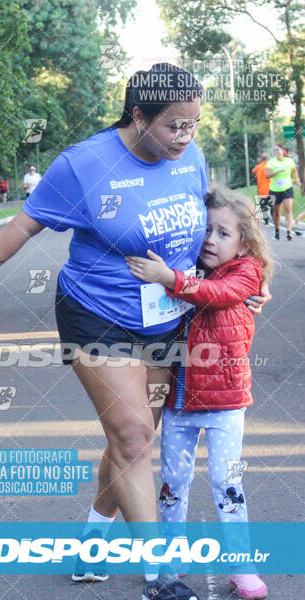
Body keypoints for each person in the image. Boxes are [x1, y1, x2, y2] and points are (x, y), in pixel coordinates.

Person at [0, 64, 270, 600]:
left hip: (166, 316)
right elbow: (22, 224)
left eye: (194, 125)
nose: (186, 137)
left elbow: (207, 232)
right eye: (174, 126)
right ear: (138, 115)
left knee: (132, 438)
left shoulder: (192, 160)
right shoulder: (84, 165)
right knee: (134, 436)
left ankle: (93, 536)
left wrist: (242, 277)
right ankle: (161, 578)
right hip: (95, 313)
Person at [126, 185, 272, 600]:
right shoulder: (190, 265)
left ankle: (242, 569)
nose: (210, 239)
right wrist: (172, 273)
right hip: (179, 403)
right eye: (206, 230)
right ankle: (170, 564)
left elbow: (217, 295)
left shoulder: (245, 273)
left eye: (223, 233)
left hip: (226, 404)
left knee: (228, 486)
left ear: (245, 243)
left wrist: (169, 279)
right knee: (173, 485)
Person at [265, 144, 301, 240]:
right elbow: (267, 175)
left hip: (287, 188)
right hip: (274, 190)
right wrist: (277, 172)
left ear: (283, 150)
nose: (276, 152)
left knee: (288, 209)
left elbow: (294, 171)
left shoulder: (290, 161)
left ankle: (289, 232)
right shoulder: (271, 162)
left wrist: (297, 179)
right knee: (276, 212)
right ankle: (276, 231)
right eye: (275, 151)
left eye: (278, 150)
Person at [252, 154, 271, 225]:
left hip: (262, 190)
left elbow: (253, 172)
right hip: (271, 189)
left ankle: (266, 221)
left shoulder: (258, 167)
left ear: (261, 160)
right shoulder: (270, 166)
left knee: (263, 206)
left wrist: (257, 164)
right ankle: (274, 218)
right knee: (272, 205)